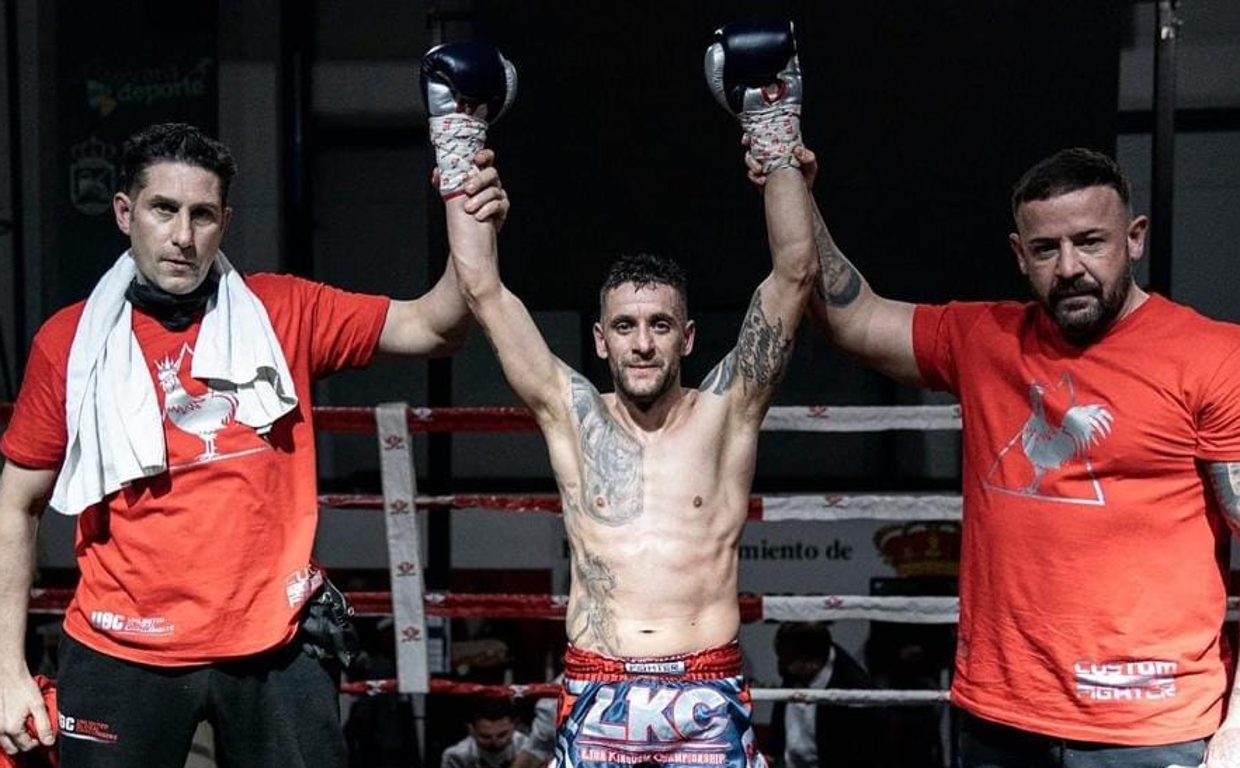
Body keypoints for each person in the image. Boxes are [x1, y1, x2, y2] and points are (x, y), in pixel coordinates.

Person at [0, 122, 506, 767]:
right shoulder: (68, 342)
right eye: (163, 210)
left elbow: (436, 326)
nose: (183, 236)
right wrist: (5, 670)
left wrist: (468, 217)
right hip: (122, 645)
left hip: (276, 641)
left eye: (202, 215)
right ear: (125, 213)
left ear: (225, 222)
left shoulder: (282, 309)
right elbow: (16, 503)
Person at [752, 142, 1240, 767]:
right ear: (1019, 254)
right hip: (1001, 720)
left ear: (1135, 238)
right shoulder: (984, 338)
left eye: (1090, 241)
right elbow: (854, 319)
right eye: (1046, 248)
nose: (1069, 266)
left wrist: (1235, 731)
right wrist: (789, 184)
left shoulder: (1212, 358)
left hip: (1148, 726)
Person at [423, 22, 817, 768]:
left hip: (706, 691)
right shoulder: (572, 415)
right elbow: (482, 287)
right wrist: (457, 138)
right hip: (598, 685)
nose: (642, 343)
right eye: (626, 327)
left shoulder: (725, 412)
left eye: (659, 326)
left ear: (687, 337)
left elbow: (794, 273)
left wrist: (773, 124)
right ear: (600, 340)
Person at [765, 623, 879, 768]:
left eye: (786, 660)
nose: (780, 666)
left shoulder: (854, 690)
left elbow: (860, 753)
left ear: (811, 663)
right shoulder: (795, 667)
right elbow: (778, 729)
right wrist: (773, 753)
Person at [440, 698, 530, 768]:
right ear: (471, 730)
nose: (496, 743)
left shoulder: (530, 750)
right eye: (486, 737)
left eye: (502, 735)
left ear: (515, 725)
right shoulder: (455, 756)